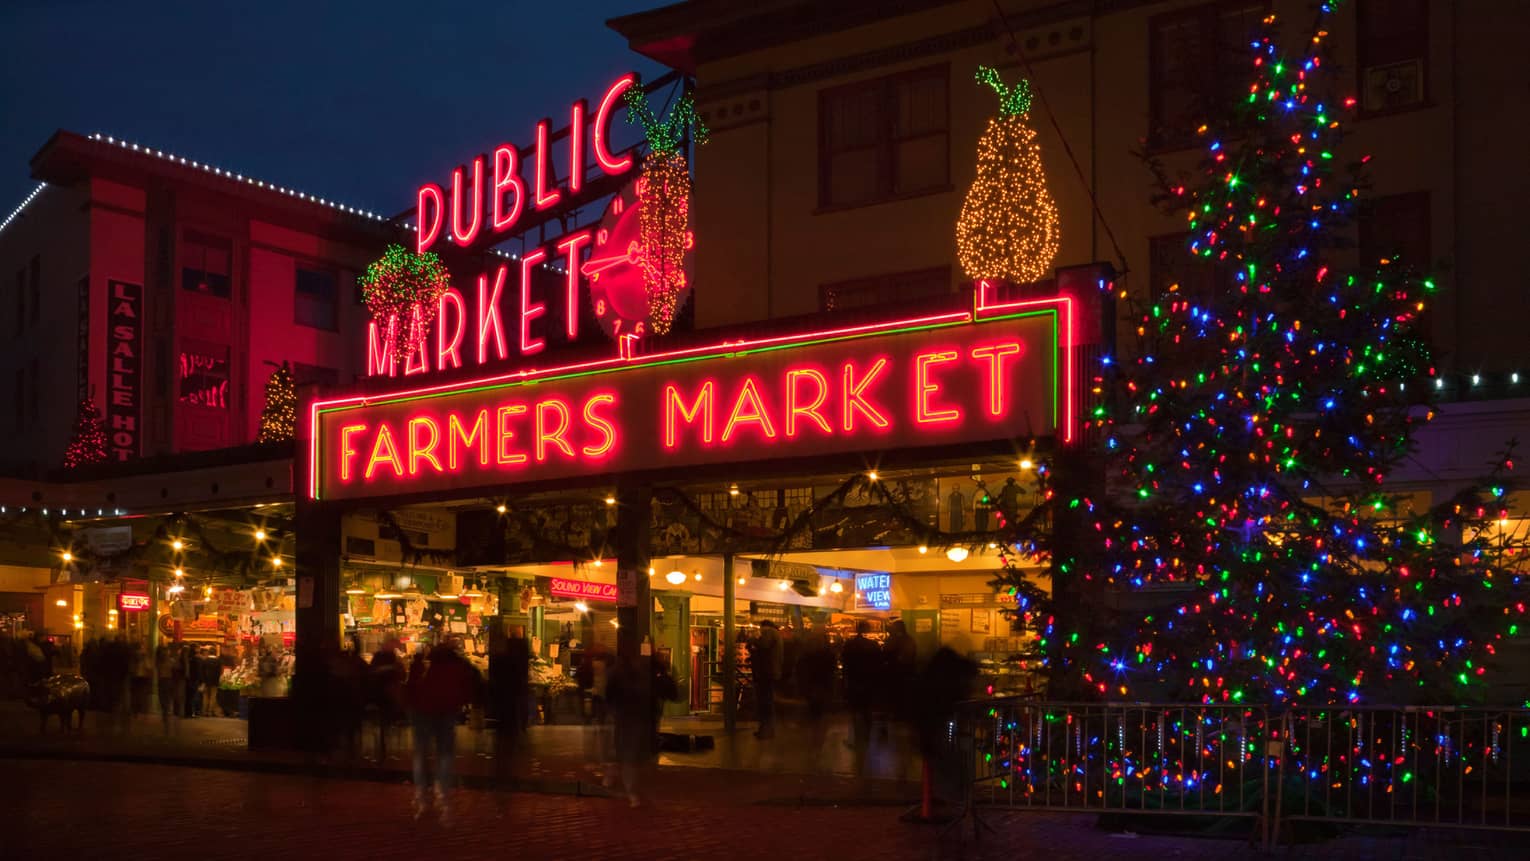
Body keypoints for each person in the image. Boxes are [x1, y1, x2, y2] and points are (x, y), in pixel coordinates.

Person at [405, 637, 479, 822]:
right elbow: (470, 685)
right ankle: (441, 787)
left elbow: (411, 686)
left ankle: (421, 789)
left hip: (422, 710)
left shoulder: (423, 664)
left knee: (421, 752)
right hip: (446, 710)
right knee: (445, 751)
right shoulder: (459, 666)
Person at [488, 625, 531, 810]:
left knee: (503, 741)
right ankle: (508, 775)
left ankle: (502, 775)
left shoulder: (498, 661)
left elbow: (493, 683)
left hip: (502, 706)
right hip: (511, 705)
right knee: (509, 741)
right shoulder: (517, 660)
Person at [840, 621, 883, 776]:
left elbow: (845, 664)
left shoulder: (849, 645)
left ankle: (857, 737)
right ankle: (866, 735)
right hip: (869, 682)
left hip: (854, 681)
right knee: (867, 709)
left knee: (856, 709)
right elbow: (879, 665)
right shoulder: (873, 646)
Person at [795, 627, 835, 766]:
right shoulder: (828, 654)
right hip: (823, 687)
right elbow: (831, 672)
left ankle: (812, 745)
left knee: (813, 715)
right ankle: (817, 745)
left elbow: (800, 671)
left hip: (811, 688)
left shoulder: (805, 655)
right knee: (821, 717)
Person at [750, 621, 783, 739]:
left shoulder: (769, 633)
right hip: (771, 672)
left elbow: (763, 645)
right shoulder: (776, 634)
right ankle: (768, 729)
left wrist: (753, 640)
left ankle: (766, 730)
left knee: (765, 702)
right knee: (767, 701)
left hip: (765, 672)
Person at [155, 640, 187, 733]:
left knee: (165, 700)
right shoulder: (170, 661)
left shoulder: (161, 662)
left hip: (165, 681)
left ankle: (166, 714)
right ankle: (168, 714)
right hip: (167, 681)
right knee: (167, 700)